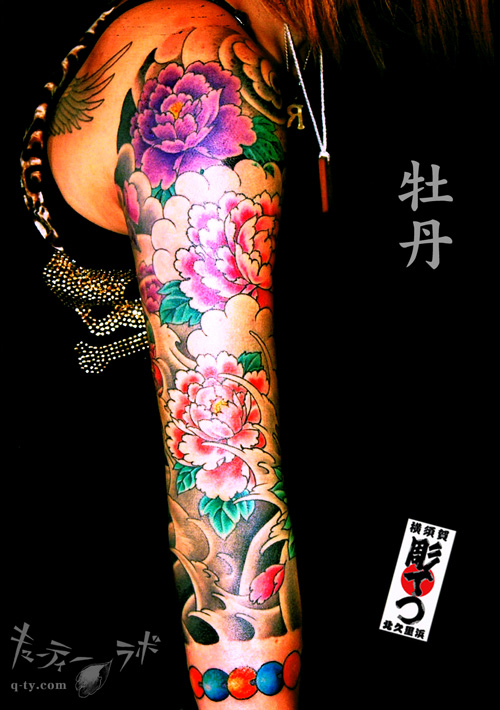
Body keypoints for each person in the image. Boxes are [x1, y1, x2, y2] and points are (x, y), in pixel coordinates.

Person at [20, 1, 493, 707]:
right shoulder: (200, 69)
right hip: (193, 653)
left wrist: (412, 614)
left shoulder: (316, 54)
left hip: (387, 594)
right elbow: (224, 477)